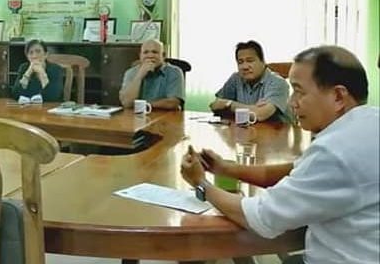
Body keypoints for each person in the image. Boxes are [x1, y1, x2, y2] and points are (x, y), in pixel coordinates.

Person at [181, 45, 379, 264]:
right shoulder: (369, 122)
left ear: (338, 97)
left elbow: (260, 217)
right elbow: (295, 171)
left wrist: (200, 184)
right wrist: (225, 168)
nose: (291, 102)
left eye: (299, 91)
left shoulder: (335, 150)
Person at [209, 40, 291, 122]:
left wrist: (229, 104)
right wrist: (252, 109)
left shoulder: (278, 82)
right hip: (245, 131)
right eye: (240, 62)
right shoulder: (236, 78)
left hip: (277, 132)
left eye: (250, 61)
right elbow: (216, 105)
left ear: (263, 62)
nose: (245, 67)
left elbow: (260, 115)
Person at [119, 39, 184, 110]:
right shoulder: (131, 72)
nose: (150, 55)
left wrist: (146, 105)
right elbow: (126, 103)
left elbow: (173, 103)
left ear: (163, 55)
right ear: (140, 56)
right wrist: (139, 76)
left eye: (154, 52)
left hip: (165, 117)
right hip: (137, 118)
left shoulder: (174, 72)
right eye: (145, 52)